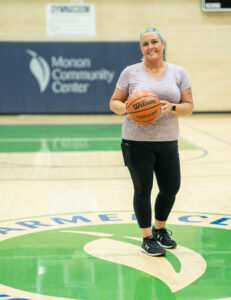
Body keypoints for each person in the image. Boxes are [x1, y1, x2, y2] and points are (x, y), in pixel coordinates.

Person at [109, 27, 194, 257]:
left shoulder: (178, 72)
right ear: (141, 49)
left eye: (154, 42)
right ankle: (147, 237)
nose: (150, 47)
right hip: (136, 141)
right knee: (142, 190)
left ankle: (160, 230)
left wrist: (172, 107)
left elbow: (189, 106)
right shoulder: (130, 72)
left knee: (170, 188)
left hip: (167, 140)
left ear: (163, 44)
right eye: (145, 44)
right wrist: (126, 107)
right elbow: (114, 102)